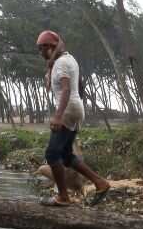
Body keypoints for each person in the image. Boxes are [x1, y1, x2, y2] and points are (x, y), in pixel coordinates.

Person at [36, 30, 110, 207]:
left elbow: (66, 89)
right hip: (75, 107)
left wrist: (58, 116)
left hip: (67, 109)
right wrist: (78, 108)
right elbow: (79, 85)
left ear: (49, 47)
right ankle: (100, 182)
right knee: (66, 155)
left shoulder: (61, 63)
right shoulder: (69, 59)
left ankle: (63, 196)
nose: (40, 52)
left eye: (41, 48)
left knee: (52, 154)